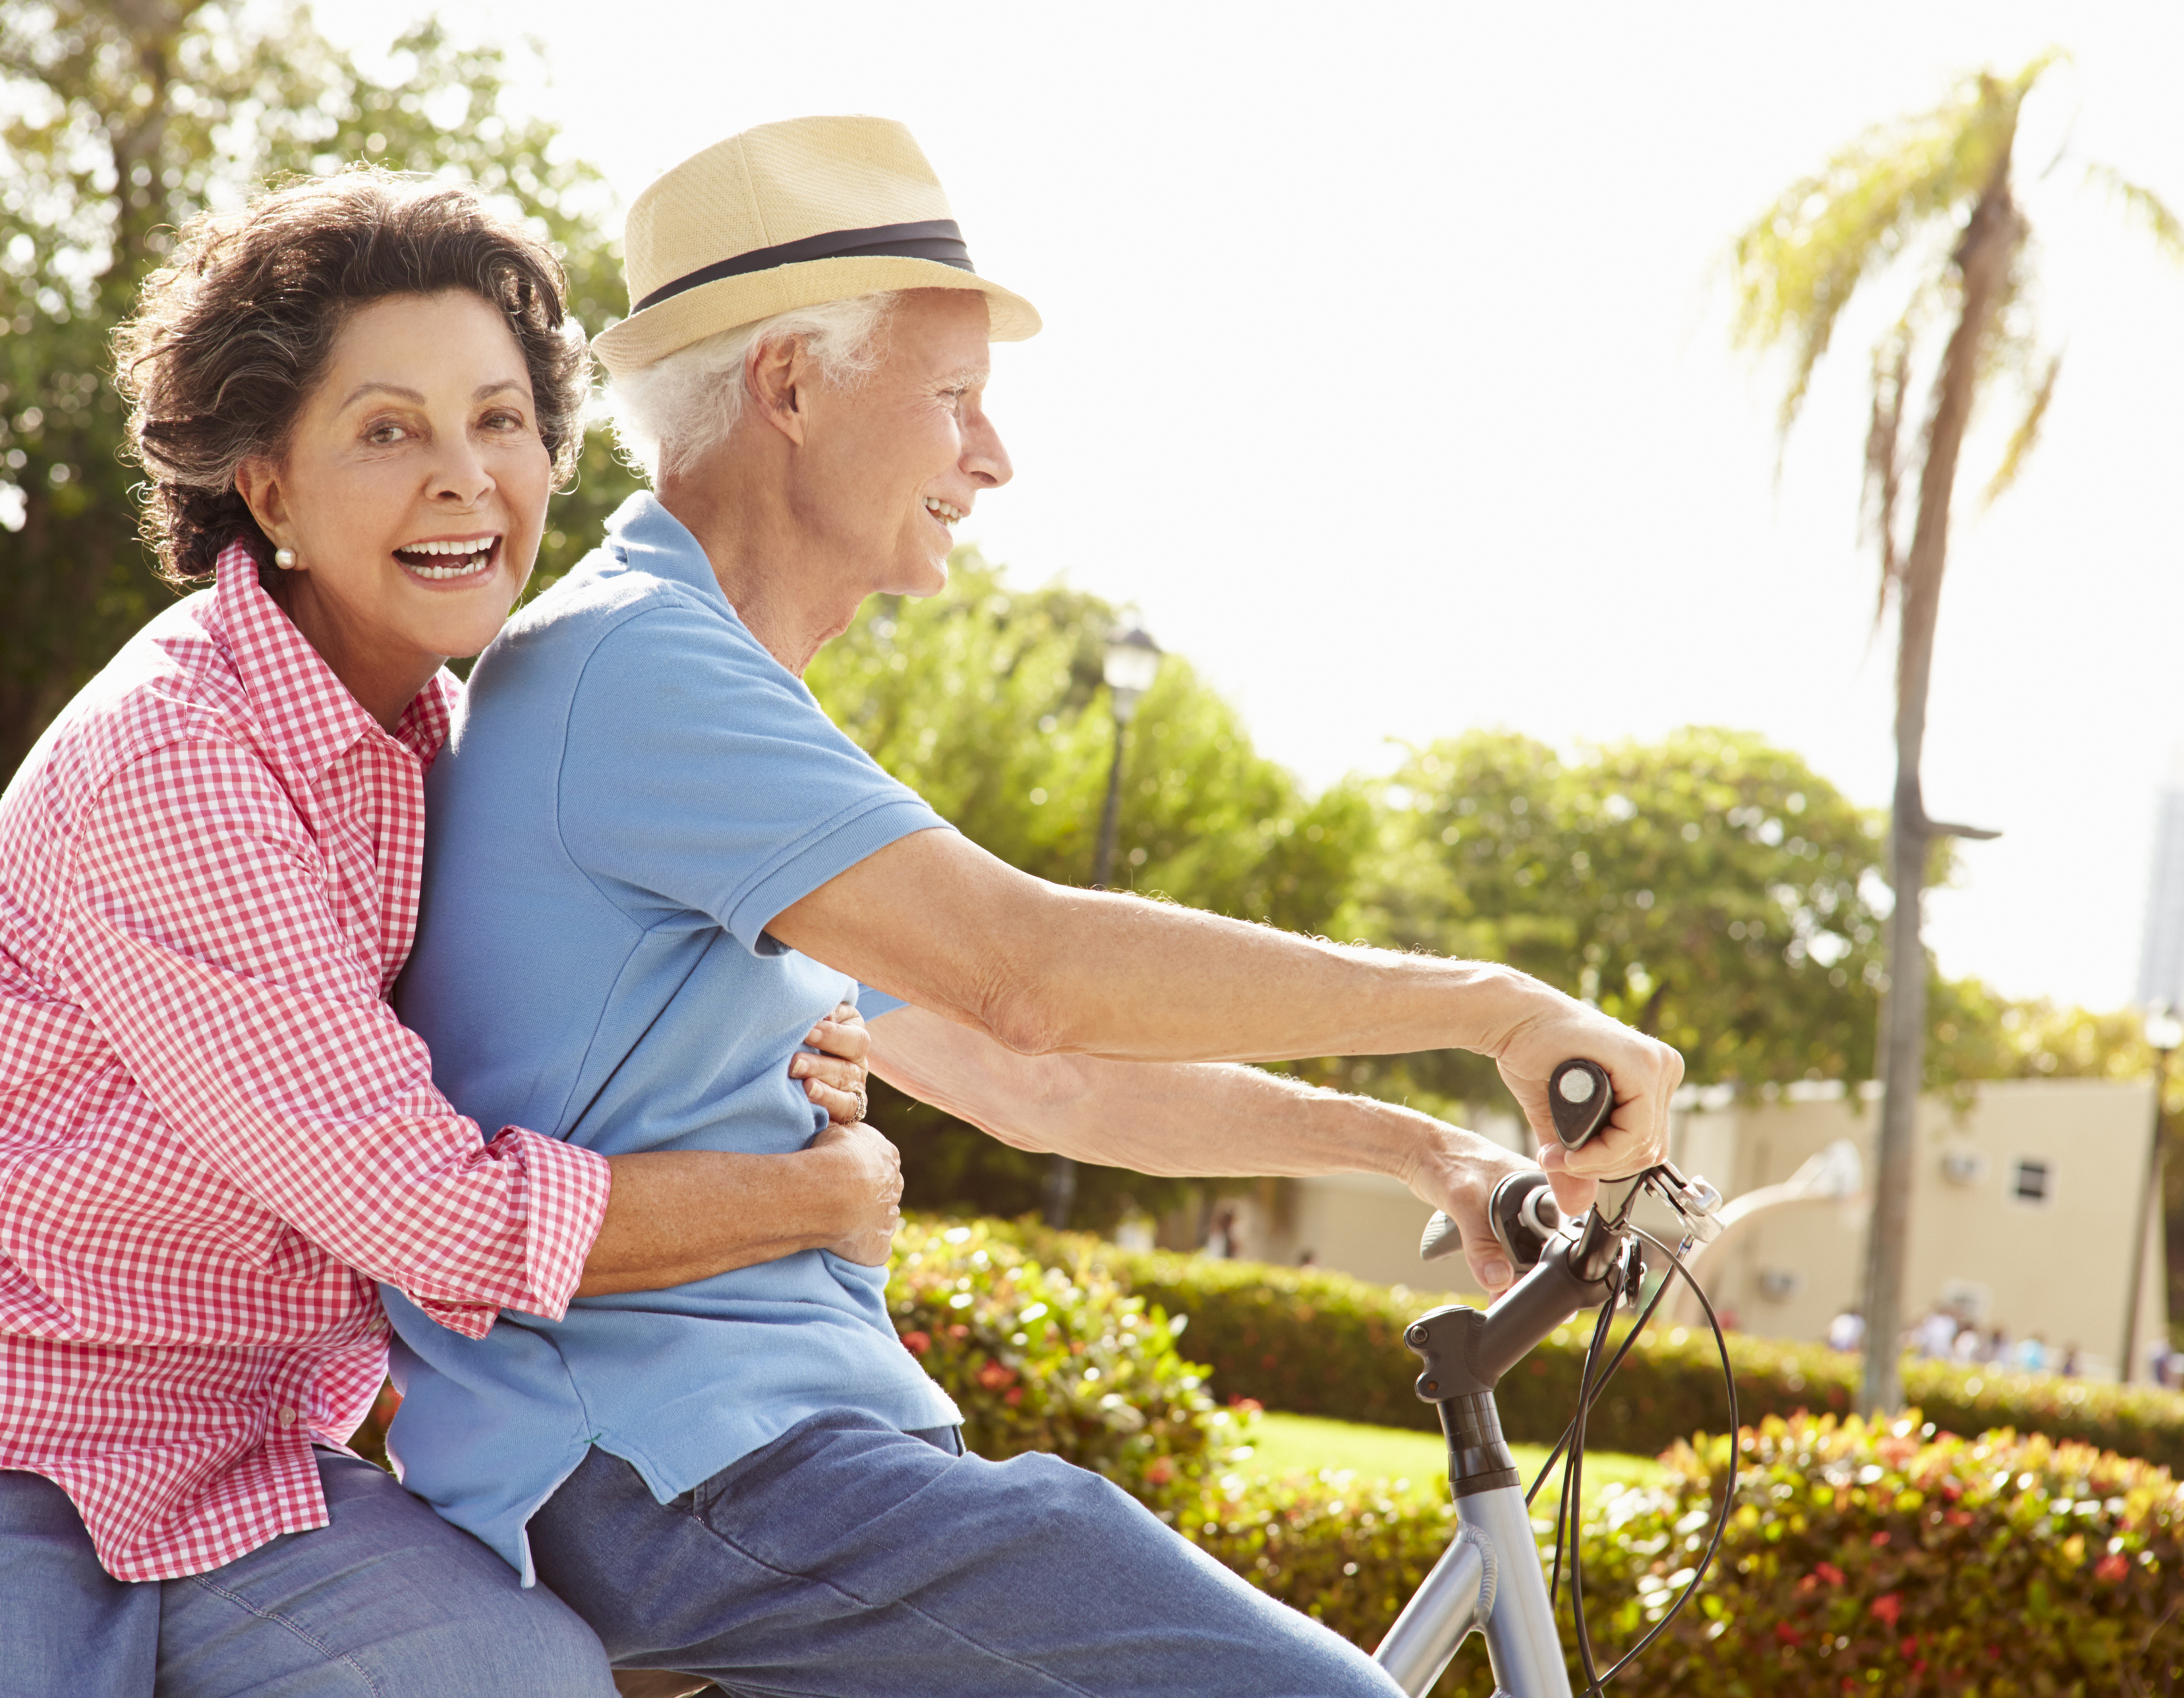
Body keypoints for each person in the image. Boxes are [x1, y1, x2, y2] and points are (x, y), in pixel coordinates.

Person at [382, 117, 1686, 1698]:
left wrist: (1417, 1149)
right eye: (951, 401)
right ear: (789, 387)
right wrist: (1492, 1009)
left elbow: (1035, 1075)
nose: (993, 458)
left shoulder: (694, 694)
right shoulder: (637, 674)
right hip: (677, 1475)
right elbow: (1031, 980)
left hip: (731, 1461)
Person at [0, 171, 902, 1698]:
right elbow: (436, 1213)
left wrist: (781, 1052)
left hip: (237, 1473)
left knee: (515, 1680)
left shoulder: (457, 744)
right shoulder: (179, 754)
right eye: (387, 430)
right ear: (268, 490)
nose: (466, 478)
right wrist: (819, 1197)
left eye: (501, 421)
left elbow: (599, 1042)